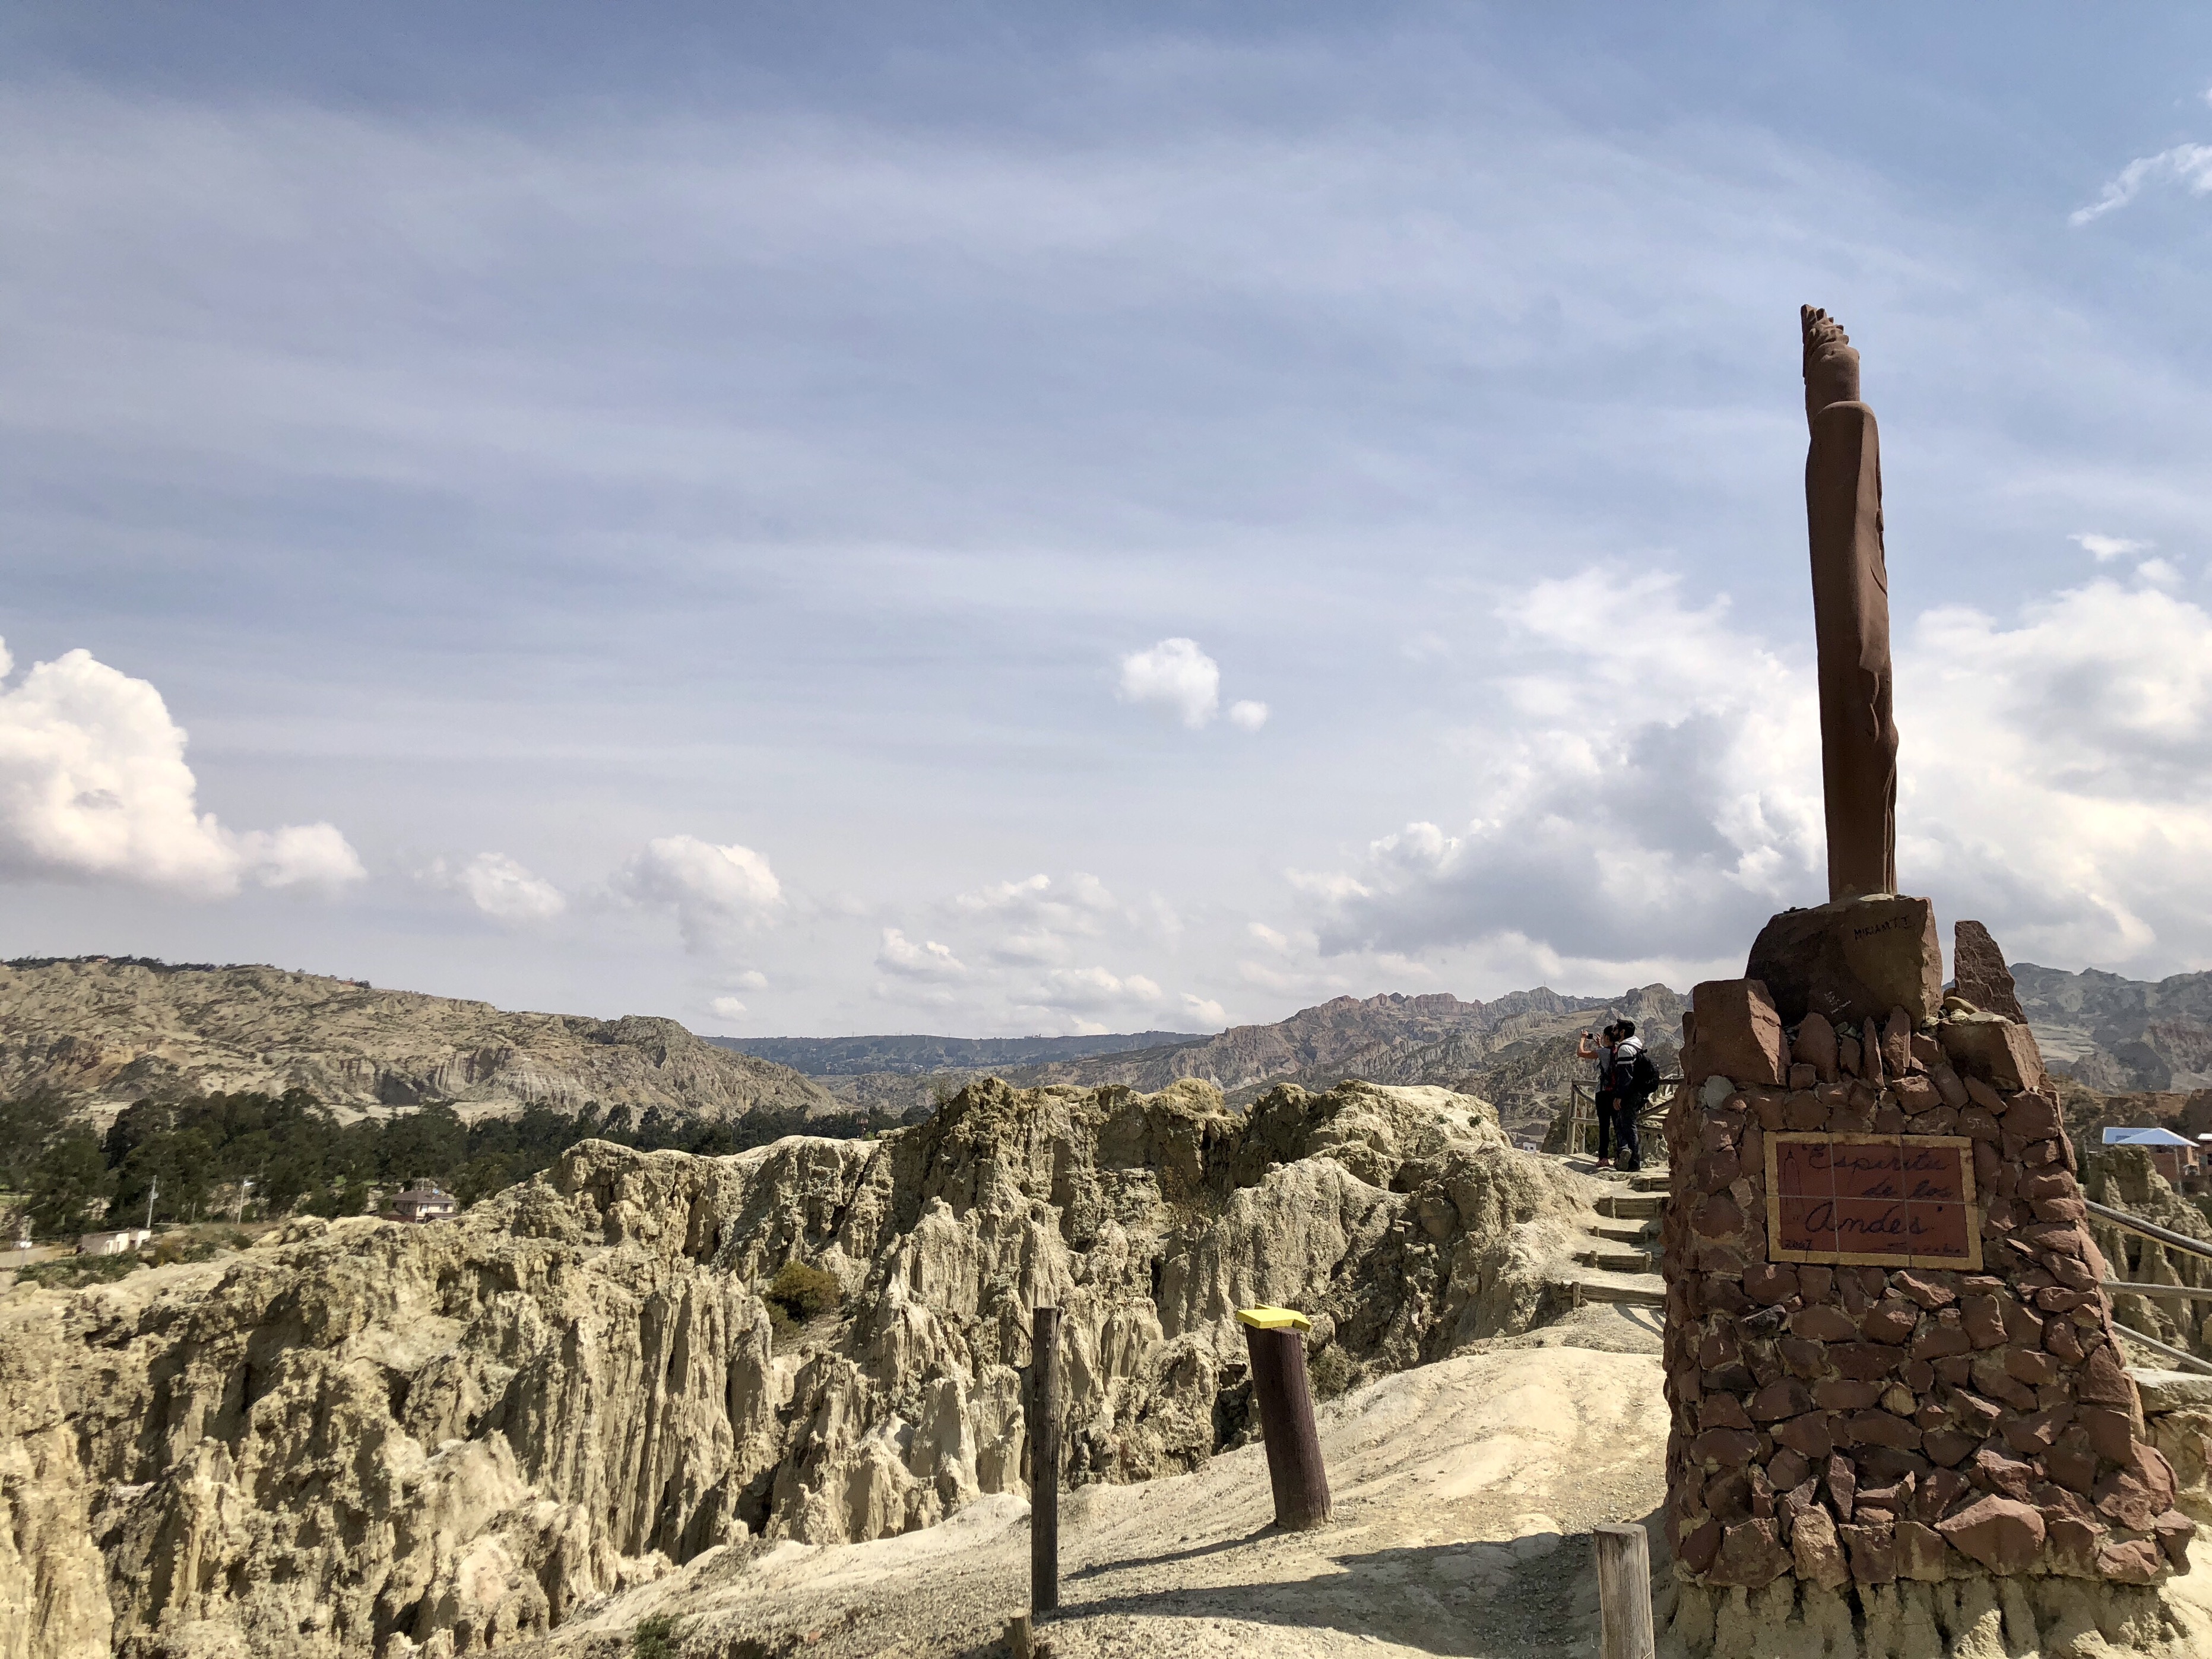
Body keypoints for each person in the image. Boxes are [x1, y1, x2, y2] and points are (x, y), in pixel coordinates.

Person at [1611, 1019, 1653, 1173]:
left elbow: (1625, 1076)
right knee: (1622, 1123)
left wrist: (1619, 1096)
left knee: (1628, 1125)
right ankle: (1625, 1154)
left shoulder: (1625, 1049)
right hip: (1637, 1091)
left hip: (1630, 1093)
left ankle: (1633, 1162)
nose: (1613, 1032)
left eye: (1616, 1029)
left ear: (1622, 1032)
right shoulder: (1636, 1045)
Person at [1577, 1022, 1621, 1168]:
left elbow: (1581, 1053)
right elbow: (1609, 1057)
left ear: (1607, 1037)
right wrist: (1600, 1045)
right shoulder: (1619, 1050)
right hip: (1616, 1093)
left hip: (1603, 1093)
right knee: (1618, 1125)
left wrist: (1583, 1038)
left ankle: (1603, 1158)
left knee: (1604, 1126)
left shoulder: (1603, 1052)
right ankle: (1620, 1157)